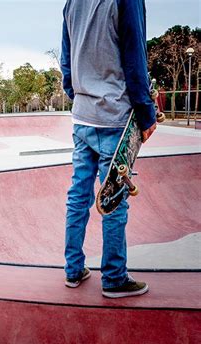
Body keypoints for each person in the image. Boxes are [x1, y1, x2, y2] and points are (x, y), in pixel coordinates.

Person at [61, 0, 157, 298]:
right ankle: (114, 277)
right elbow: (134, 56)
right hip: (114, 118)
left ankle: (73, 270)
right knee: (115, 198)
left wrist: (77, 94)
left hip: (82, 116)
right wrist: (146, 112)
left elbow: (66, 60)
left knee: (79, 195)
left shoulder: (71, 3)